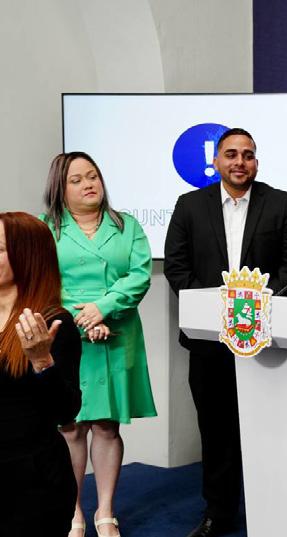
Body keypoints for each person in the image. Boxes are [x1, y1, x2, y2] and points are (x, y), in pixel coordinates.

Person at [164, 127, 287, 537]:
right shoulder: (189, 205)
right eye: (231, 154)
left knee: (269, 432)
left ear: (256, 162)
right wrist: (217, 313)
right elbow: (177, 267)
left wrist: (253, 314)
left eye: (247, 154)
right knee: (216, 432)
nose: (239, 162)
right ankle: (218, 513)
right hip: (209, 343)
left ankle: (275, 511)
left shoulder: (281, 203)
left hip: (266, 341)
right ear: (216, 161)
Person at [42, 152, 157, 537]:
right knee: (70, 427)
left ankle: (105, 512)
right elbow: (43, 282)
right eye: (76, 180)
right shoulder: (46, 229)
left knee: (107, 426)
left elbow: (139, 276)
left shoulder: (127, 225)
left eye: (92, 176)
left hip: (117, 333)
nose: (89, 184)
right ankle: (73, 512)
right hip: (64, 335)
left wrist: (103, 309)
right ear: (60, 189)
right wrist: (83, 319)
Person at [0, 211, 82, 535]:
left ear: (27, 257)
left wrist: (42, 361)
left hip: (32, 483)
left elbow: (66, 412)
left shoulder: (53, 323)